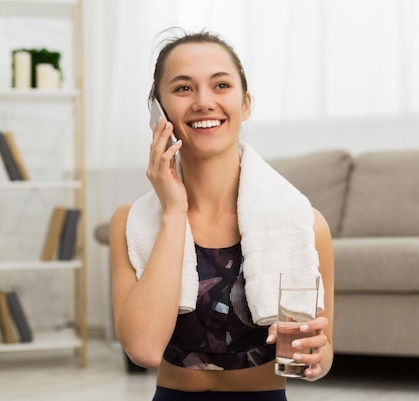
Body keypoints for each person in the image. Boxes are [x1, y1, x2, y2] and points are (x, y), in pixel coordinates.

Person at [109, 28, 334, 401]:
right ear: (158, 111)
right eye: (183, 88)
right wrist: (173, 212)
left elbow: (321, 357)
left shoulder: (305, 223)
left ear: (245, 104)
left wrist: (315, 356)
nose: (203, 102)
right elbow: (144, 350)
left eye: (221, 86)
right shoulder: (130, 223)